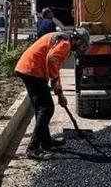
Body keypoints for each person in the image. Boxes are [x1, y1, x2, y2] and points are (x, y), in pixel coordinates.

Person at [15, 27, 91, 159]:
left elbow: (55, 66)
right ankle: (32, 148)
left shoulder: (64, 44)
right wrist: (55, 82)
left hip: (32, 70)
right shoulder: (65, 44)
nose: (82, 49)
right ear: (77, 41)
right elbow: (51, 59)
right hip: (32, 70)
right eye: (83, 45)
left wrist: (58, 89)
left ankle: (46, 142)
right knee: (46, 108)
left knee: (42, 109)